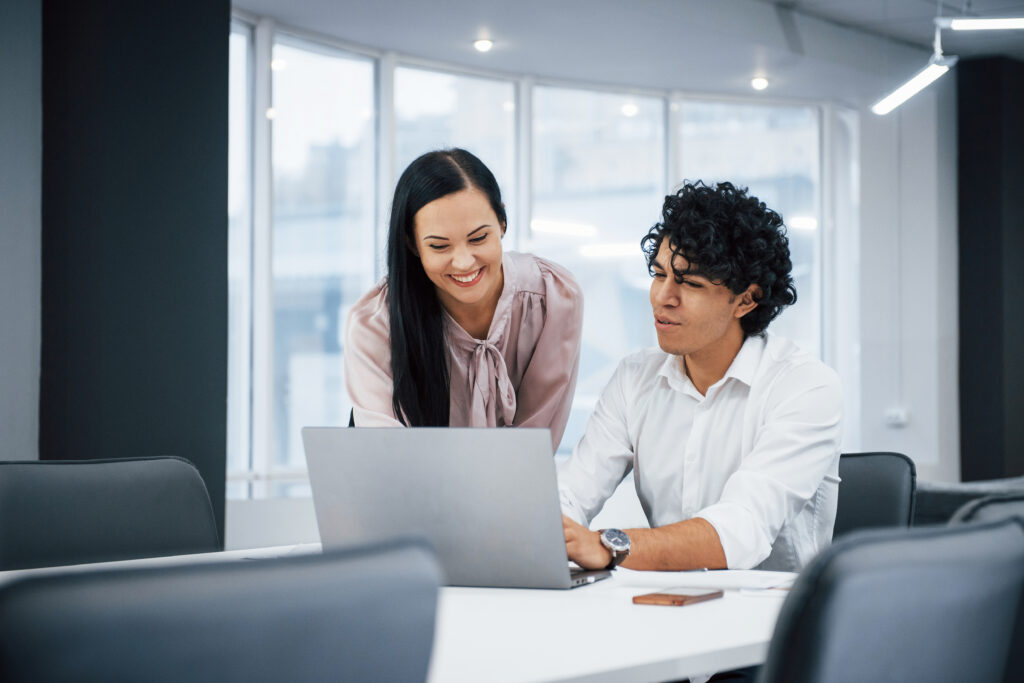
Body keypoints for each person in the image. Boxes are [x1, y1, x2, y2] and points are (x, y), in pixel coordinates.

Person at [559, 180, 842, 573]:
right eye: (659, 275)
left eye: (690, 283)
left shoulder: (805, 386)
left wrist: (608, 546)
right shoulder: (635, 378)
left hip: (774, 617)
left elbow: (741, 529)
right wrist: (551, 529)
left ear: (746, 299)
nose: (663, 296)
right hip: (664, 606)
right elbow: (572, 491)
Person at [344, 148, 582, 449]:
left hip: (511, 490)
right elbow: (389, 457)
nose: (464, 262)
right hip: (406, 492)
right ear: (413, 245)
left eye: (479, 238)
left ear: (502, 222)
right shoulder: (375, 322)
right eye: (440, 246)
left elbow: (534, 444)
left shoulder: (554, 297)